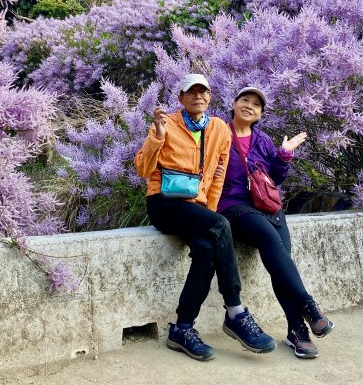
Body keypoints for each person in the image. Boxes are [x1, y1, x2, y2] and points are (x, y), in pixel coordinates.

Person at [134, 74, 276, 361]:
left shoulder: (220, 129)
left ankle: (182, 328)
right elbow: (142, 169)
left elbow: (218, 175)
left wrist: (209, 214)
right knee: (221, 224)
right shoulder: (167, 124)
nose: (198, 96)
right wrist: (157, 136)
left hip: (197, 208)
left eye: (203, 91)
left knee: (206, 248)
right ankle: (235, 311)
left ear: (210, 97)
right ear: (181, 99)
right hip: (163, 203)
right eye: (191, 92)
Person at [216, 86, 335, 360]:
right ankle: (310, 307)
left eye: (256, 104)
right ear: (234, 104)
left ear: (260, 114)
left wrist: (284, 155)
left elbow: (275, 180)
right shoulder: (219, 133)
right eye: (244, 100)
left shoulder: (262, 140)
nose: (249, 105)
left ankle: (297, 332)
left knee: (282, 261)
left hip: (267, 206)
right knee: (271, 239)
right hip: (233, 205)